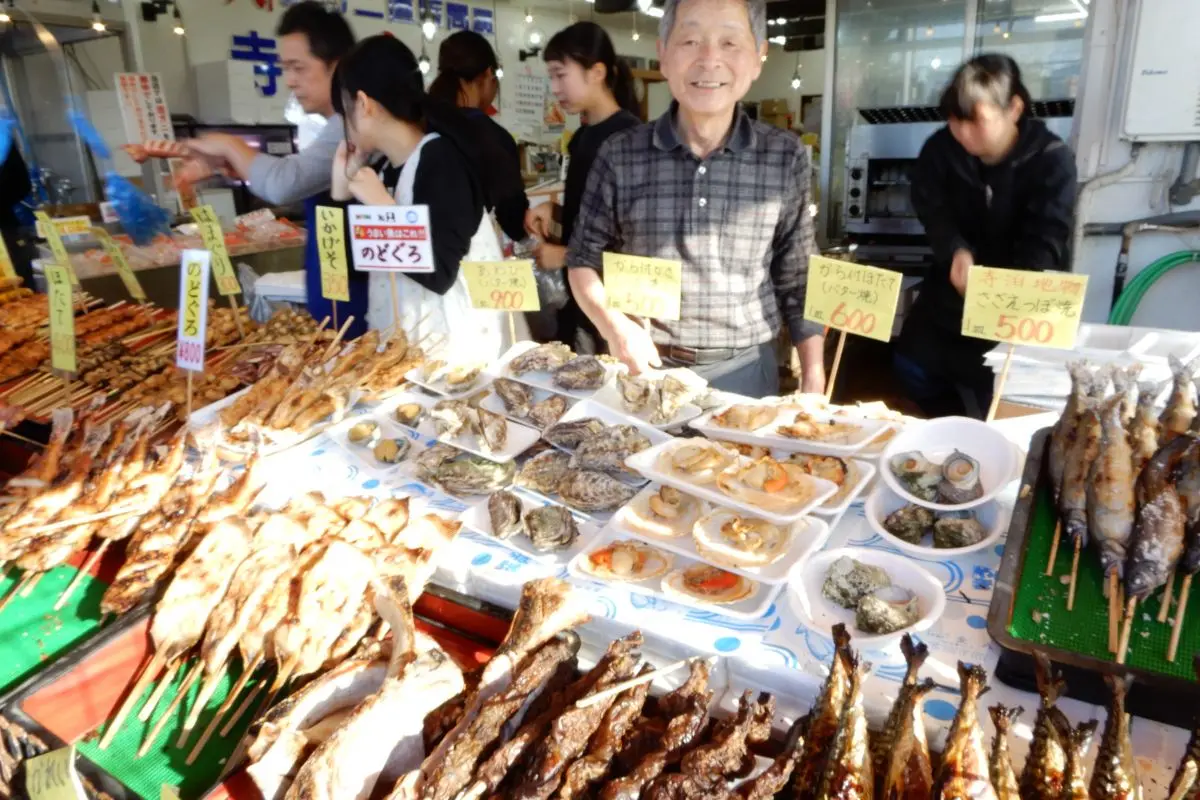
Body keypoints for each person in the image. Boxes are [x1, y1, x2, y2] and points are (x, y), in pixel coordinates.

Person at [565, 0, 825, 397]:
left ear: (758, 57)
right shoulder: (619, 153)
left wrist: (813, 375)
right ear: (664, 54)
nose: (709, 59)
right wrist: (616, 329)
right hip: (646, 369)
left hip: (747, 372)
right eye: (689, 40)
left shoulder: (784, 156)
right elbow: (582, 261)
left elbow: (799, 278)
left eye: (729, 42)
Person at [896, 54, 1076, 419]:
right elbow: (932, 208)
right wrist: (956, 249)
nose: (962, 133)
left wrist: (1002, 289)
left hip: (1013, 303)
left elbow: (1047, 238)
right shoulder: (941, 148)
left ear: (1014, 108)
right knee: (911, 367)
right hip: (949, 294)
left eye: (975, 121)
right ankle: (947, 425)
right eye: (953, 121)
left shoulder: (1051, 158)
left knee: (996, 399)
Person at [329, 35, 525, 359]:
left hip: (452, 362)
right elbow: (345, 273)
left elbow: (440, 274)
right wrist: (340, 194)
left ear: (363, 105)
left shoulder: (441, 160)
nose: (343, 125)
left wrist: (383, 211)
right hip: (400, 351)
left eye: (343, 112)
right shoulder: (384, 172)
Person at [180, 2, 362, 335]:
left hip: (359, 305)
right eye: (285, 68)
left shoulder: (352, 126)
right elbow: (297, 182)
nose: (289, 81)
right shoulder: (331, 128)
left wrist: (228, 144)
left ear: (336, 66)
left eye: (298, 68)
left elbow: (285, 183)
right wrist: (232, 165)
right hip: (336, 301)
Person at [524, 21, 641, 353]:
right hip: (577, 302)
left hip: (613, 310)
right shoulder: (581, 137)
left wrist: (564, 256)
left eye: (561, 75)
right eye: (551, 78)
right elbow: (595, 217)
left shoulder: (630, 140)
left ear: (597, 72)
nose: (555, 88)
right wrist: (557, 212)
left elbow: (635, 239)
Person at [428, 31, 529, 245]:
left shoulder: (421, 123)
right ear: (488, 74)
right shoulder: (493, 138)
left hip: (422, 253)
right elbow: (513, 218)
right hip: (474, 260)